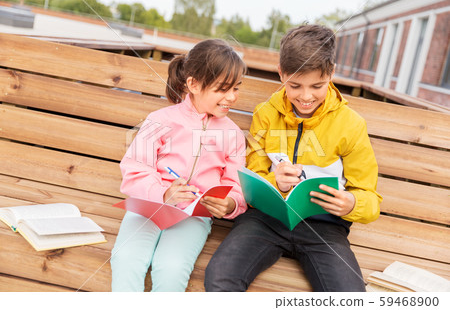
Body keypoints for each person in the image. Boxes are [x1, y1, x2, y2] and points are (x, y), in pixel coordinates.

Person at [205, 24, 382, 292]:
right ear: (281, 74)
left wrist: (351, 203)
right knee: (220, 278)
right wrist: (276, 182)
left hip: (324, 227)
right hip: (266, 220)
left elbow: (370, 197)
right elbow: (251, 175)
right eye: (295, 85)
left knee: (350, 296)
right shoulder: (266, 114)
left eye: (317, 85)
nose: (306, 96)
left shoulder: (351, 125)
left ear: (331, 73)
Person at [111, 39, 248, 292]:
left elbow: (236, 187)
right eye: (222, 89)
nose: (231, 97)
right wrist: (163, 193)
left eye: (236, 88)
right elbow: (134, 167)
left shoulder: (234, 135)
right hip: (148, 207)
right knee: (126, 259)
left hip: (193, 217)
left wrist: (230, 204)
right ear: (193, 84)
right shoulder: (159, 120)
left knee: (171, 268)